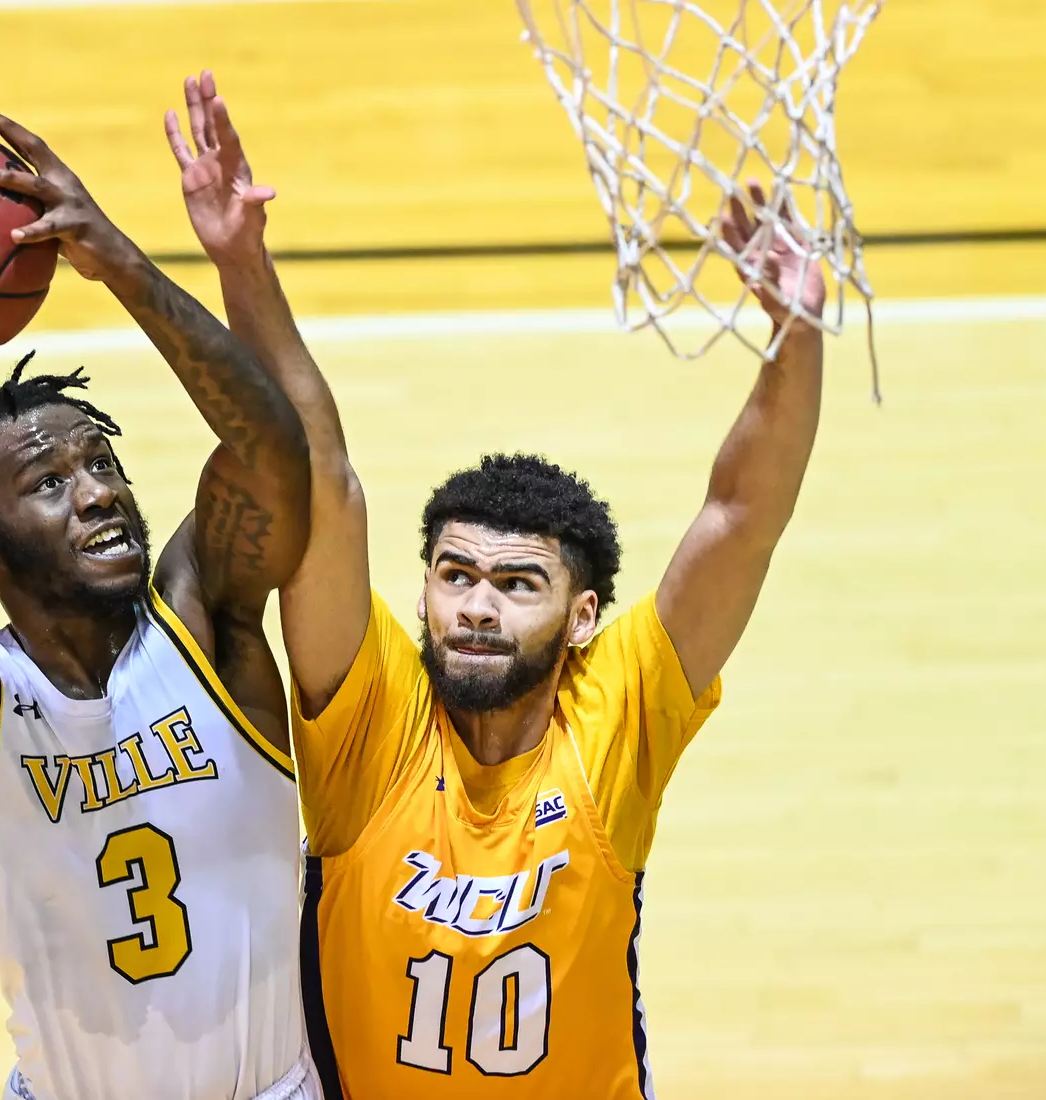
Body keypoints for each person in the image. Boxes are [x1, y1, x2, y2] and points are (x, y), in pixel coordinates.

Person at [167, 71, 825, 1098]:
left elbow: (741, 516)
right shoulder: (372, 719)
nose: (475, 602)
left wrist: (795, 339)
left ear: (582, 618)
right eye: (453, 572)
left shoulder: (616, 710)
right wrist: (241, 261)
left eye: (519, 583)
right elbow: (323, 479)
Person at [0, 103, 321, 1100]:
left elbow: (274, 457)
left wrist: (117, 259)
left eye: (103, 461)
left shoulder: (204, 624)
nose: (97, 491)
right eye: (51, 481)